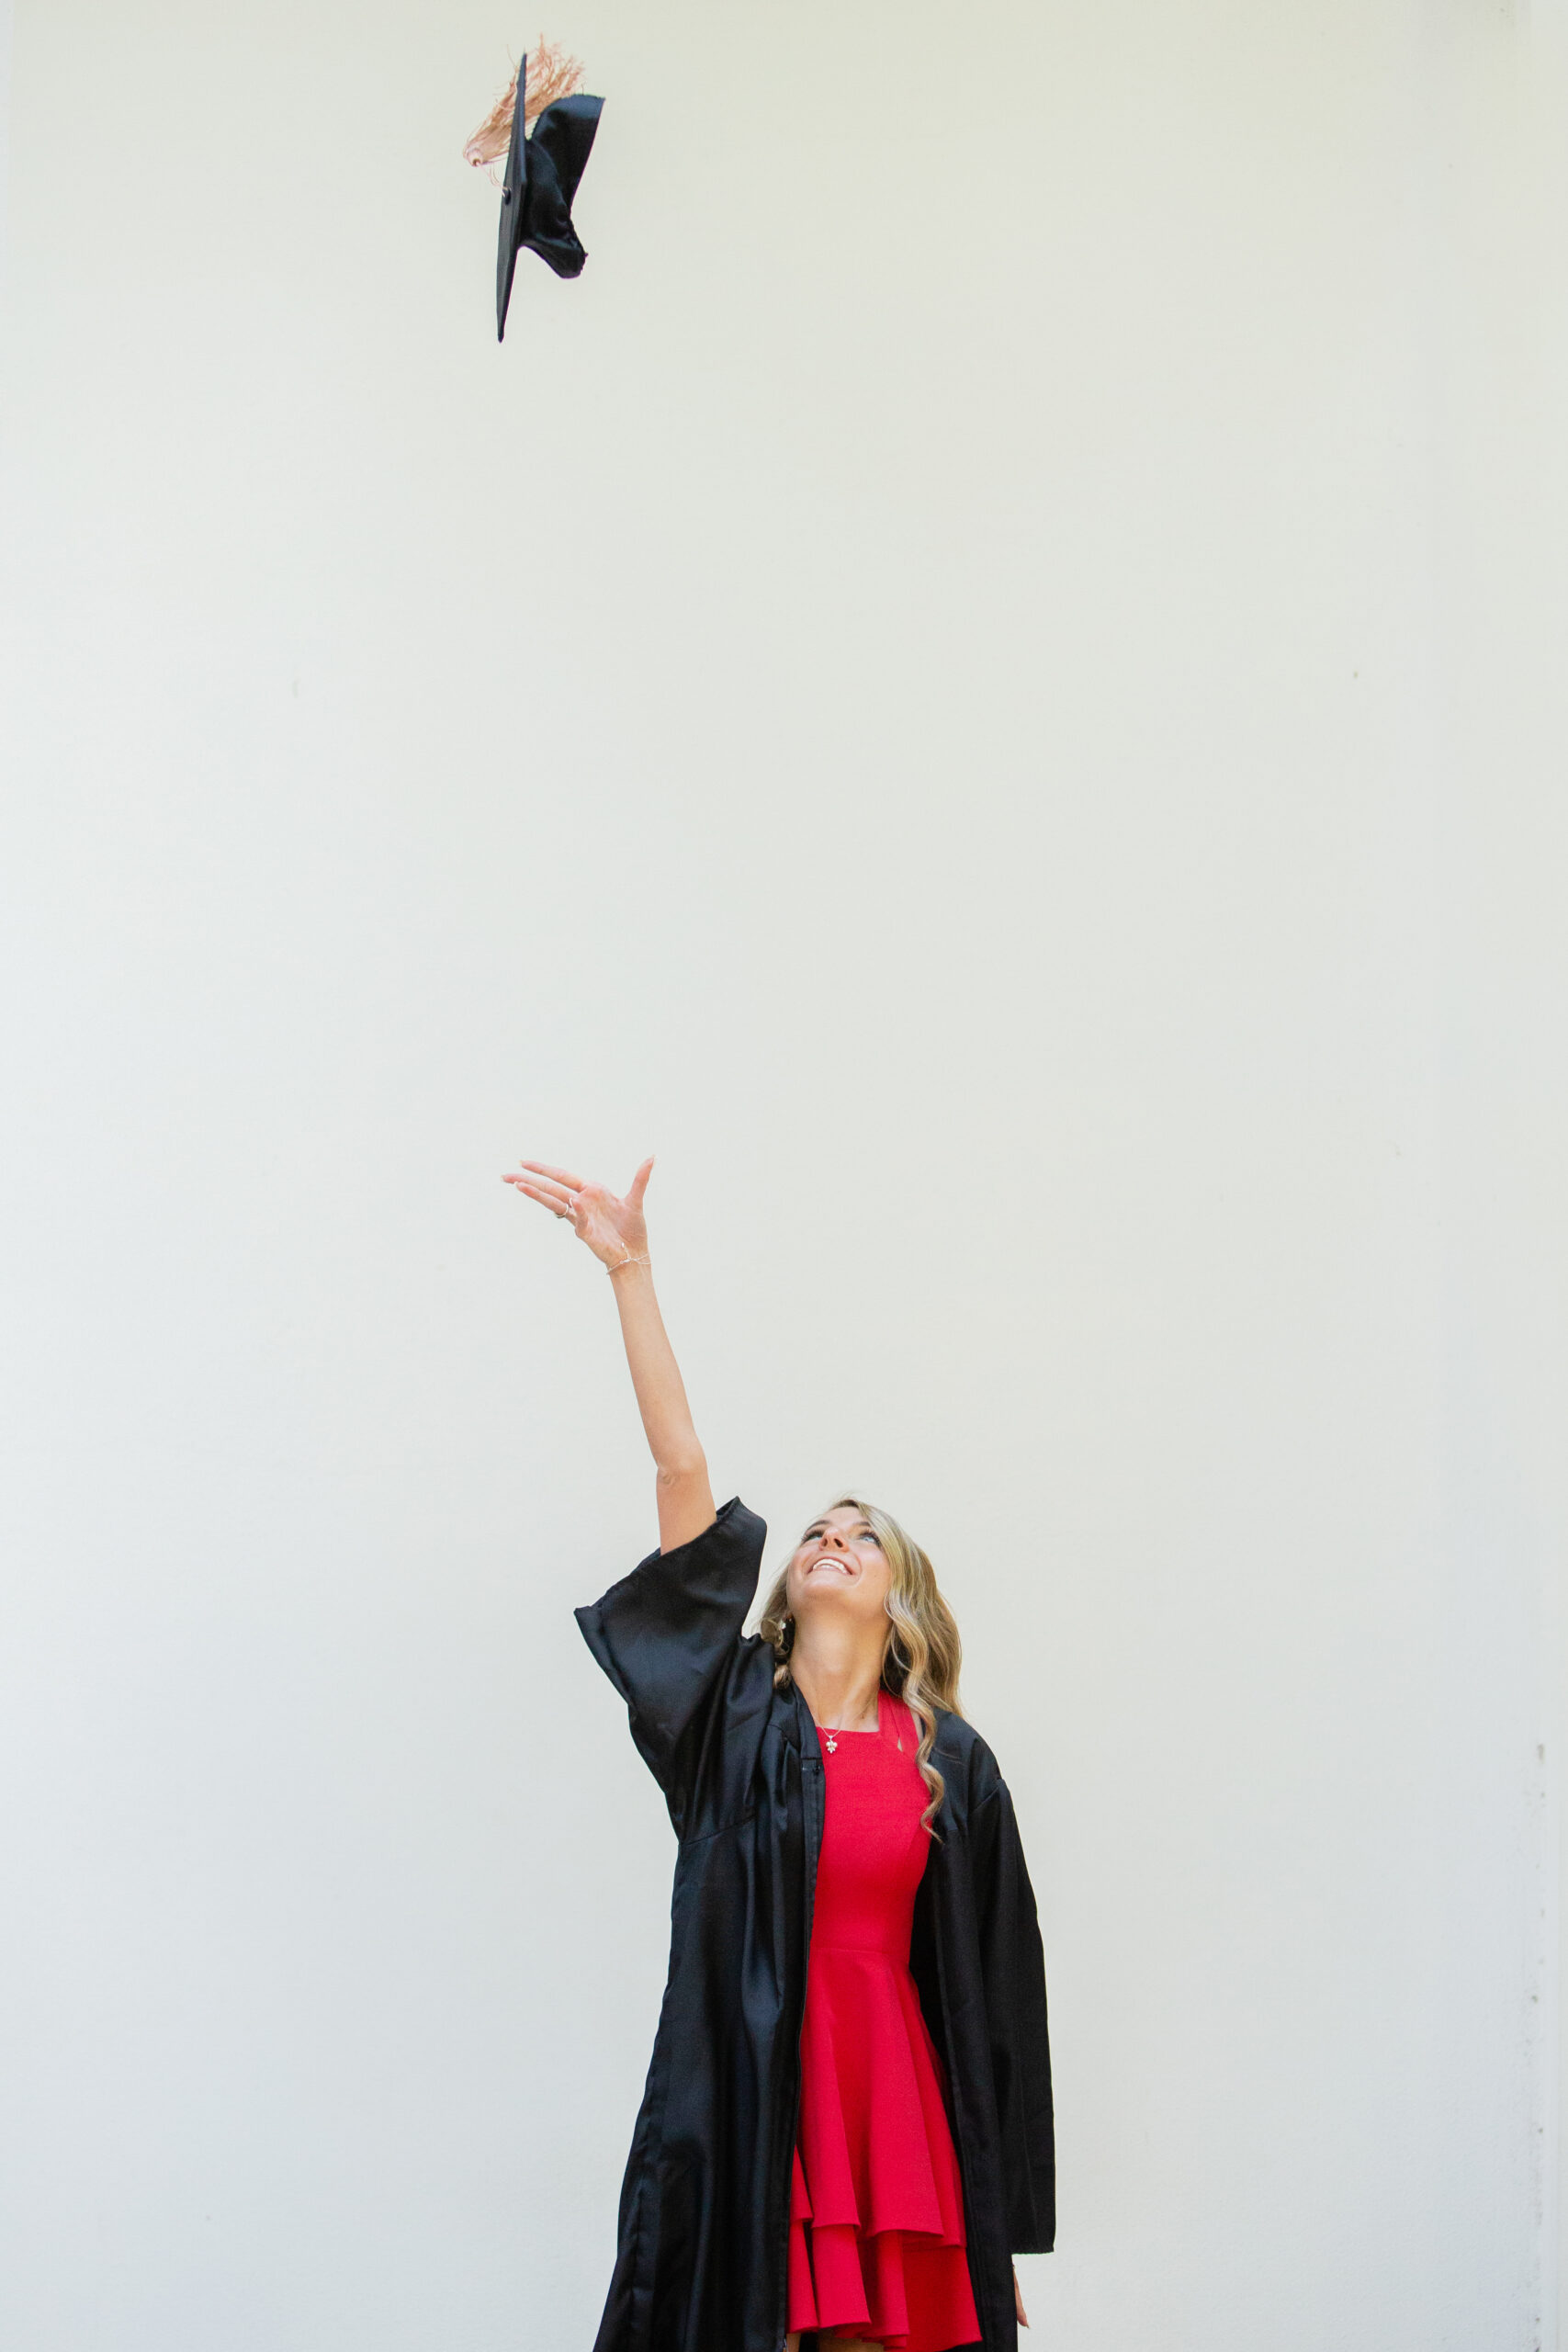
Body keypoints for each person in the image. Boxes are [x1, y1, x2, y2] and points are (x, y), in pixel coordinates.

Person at [504, 1152, 1055, 2352]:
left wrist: (998, 2221)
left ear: (902, 1599)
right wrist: (631, 1271)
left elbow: (1000, 1996)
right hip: (755, 2105)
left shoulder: (953, 1765)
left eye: (863, 1537)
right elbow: (682, 1472)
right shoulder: (731, 1719)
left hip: (894, 2115)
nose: (831, 1537)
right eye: (818, 1529)